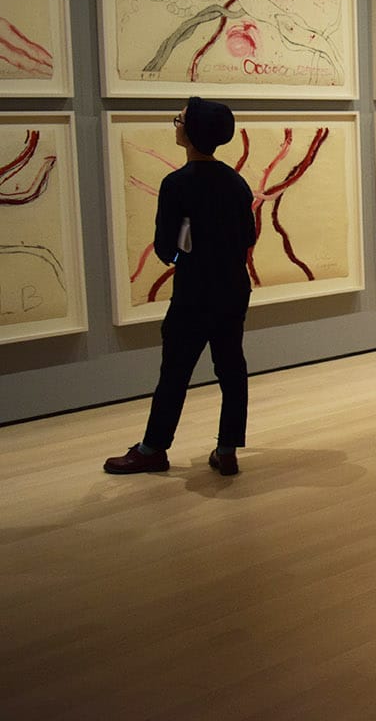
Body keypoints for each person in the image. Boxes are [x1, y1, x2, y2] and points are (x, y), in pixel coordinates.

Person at [104, 98, 256, 475]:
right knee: (231, 368)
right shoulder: (237, 183)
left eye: (180, 120)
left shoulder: (177, 185)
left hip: (193, 294)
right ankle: (227, 449)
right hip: (233, 289)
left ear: (190, 134)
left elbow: (164, 247)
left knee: (174, 372)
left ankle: (153, 448)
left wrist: (181, 254)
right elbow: (248, 235)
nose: (176, 125)